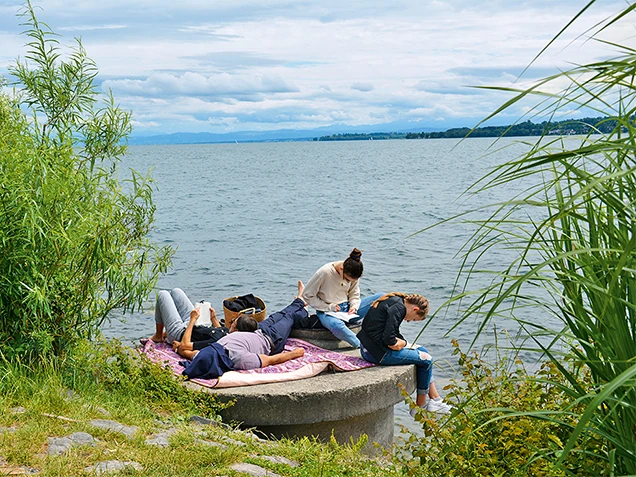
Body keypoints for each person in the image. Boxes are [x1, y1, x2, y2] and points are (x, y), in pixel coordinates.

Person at [178, 281, 308, 378]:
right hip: (272, 339)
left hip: (259, 329)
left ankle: (300, 300)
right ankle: (303, 304)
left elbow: (190, 353)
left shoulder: (215, 348)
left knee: (278, 315)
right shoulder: (238, 358)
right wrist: (294, 354)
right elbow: (269, 360)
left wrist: (180, 349)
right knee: (289, 317)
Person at [356, 292, 452, 414]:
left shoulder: (397, 301)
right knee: (427, 359)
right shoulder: (398, 309)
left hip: (369, 348)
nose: (409, 321)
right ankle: (419, 407)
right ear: (415, 309)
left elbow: (393, 333)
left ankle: (435, 400)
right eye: (413, 319)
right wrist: (404, 344)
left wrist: (403, 343)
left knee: (422, 350)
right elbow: (390, 341)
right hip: (377, 354)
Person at [301, 248, 382, 348]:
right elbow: (307, 295)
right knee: (336, 326)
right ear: (341, 269)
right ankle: (363, 346)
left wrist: (354, 307)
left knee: (382, 297)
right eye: (348, 280)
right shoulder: (325, 272)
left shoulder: (353, 270)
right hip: (328, 312)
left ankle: (380, 334)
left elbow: (354, 294)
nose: (349, 282)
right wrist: (330, 307)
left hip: (348, 310)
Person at [149, 288, 229, 347]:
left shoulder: (212, 343)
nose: (231, 323)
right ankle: (164, 332)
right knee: (176, 292)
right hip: (197, 324)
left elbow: (185, 345)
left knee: (163, 294)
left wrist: (192, 320)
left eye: (234, 323)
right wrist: (213, 318)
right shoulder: (227, 335)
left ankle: (158, 336)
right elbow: (220, 331)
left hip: (180, 333)